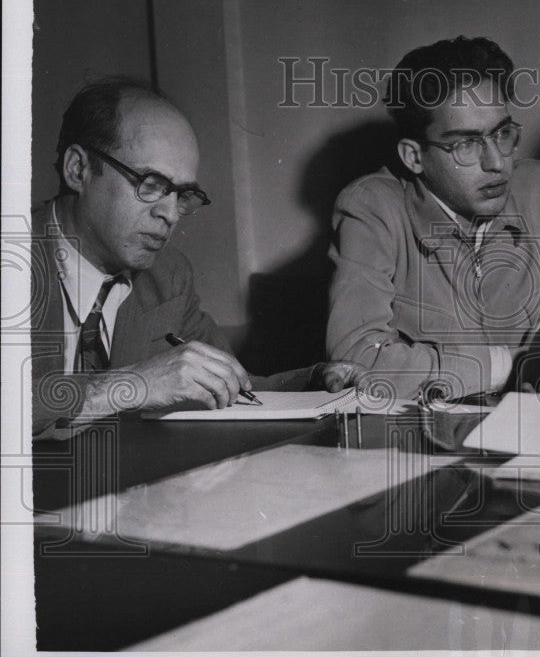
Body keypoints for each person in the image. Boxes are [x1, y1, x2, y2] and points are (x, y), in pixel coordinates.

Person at [326, 36, 540, 400]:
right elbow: (357, 358)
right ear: (414, 157)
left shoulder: (537, 187)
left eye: (502, 133)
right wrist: (516, 364)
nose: (496, 163)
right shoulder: (372, 207)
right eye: (465, 144)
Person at [31, 78, 345, 438]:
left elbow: (233, 385)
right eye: (149, 184)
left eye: (183, 195)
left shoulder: (168, 275)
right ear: (78, 169)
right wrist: (131, 385)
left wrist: (316, 380)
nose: (171, 214)